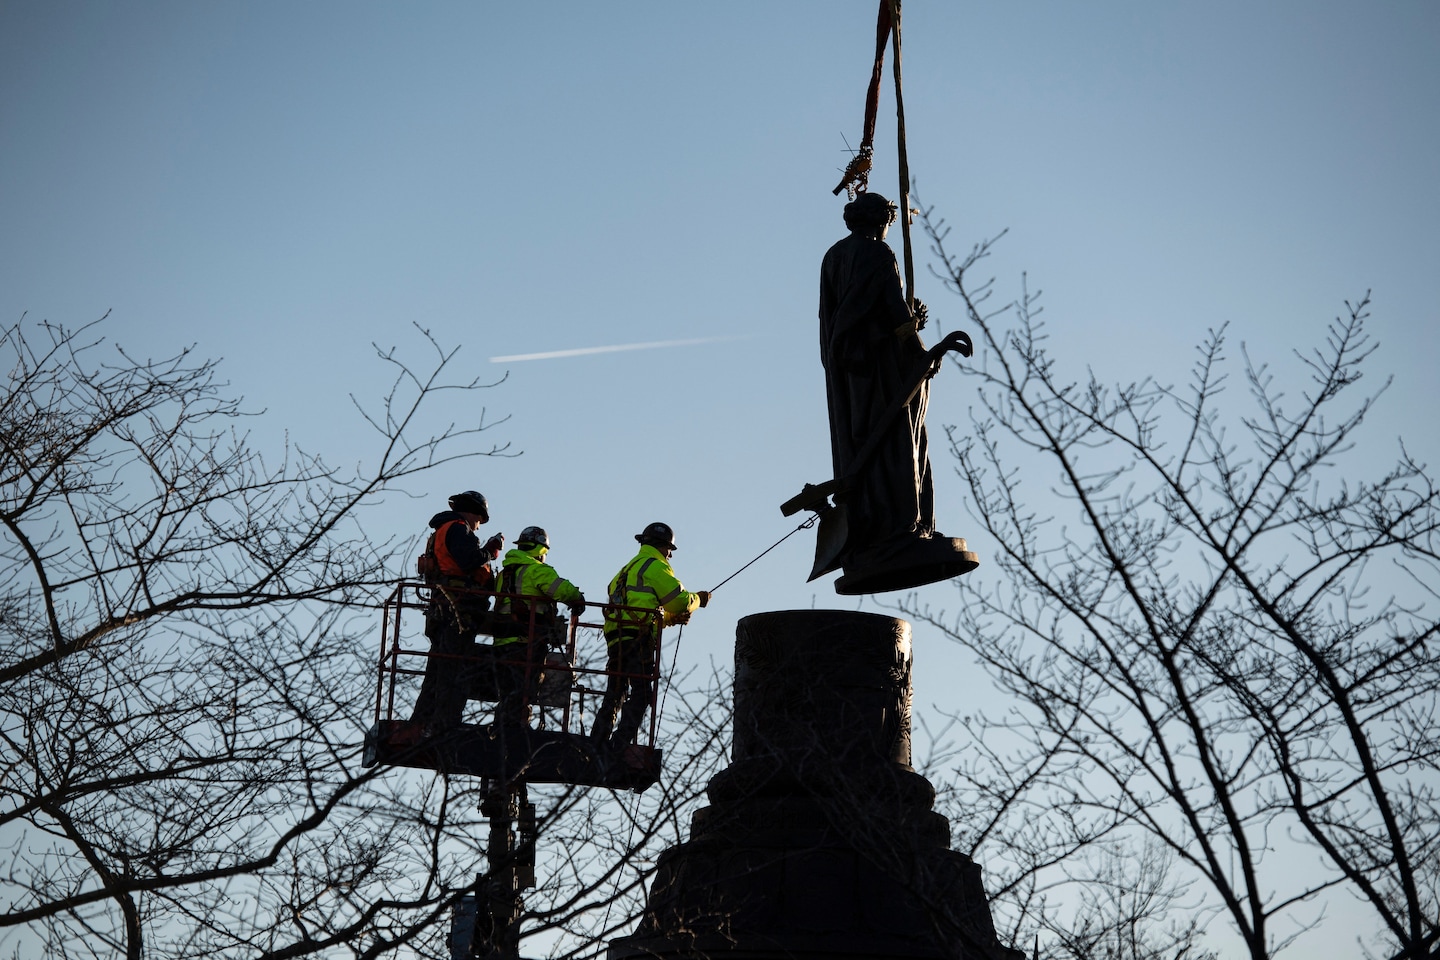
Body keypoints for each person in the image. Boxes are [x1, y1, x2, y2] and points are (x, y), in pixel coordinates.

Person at [818, 191, 969, 573]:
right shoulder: (879, 253)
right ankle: (903, 528)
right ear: (882, 220)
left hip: (850, 372)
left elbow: (843, 315)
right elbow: (891, 311)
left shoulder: (833, 256)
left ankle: (873, 526)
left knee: (865, 439)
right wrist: (919, 348)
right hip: (883, 367)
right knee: (900, 440)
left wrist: (907, 324)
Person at [593, 522, 709, 750]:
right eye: (669, 550)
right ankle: (619, 743)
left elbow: (636, 608)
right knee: (643, 692)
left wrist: (669, 619)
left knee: (615, 691)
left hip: (617, 638)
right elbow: (680, 600)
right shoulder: (655, 567)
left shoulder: (625, 571)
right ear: (662, 546)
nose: (670, 556)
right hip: (637, 639)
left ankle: (597, 741)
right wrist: (699, 600)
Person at [409, 490, 504, 732]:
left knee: (438, 669)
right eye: (480, 520)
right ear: (473, 512)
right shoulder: (459, 528)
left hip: (443, 607)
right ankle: (445, 725)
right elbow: (467, 561)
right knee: (455, 670)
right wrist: (491, 551)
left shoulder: (442, 531)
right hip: (458, 610)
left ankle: (421, 720)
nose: (479, 527)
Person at [492, 526, 586, 724]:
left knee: (507, 693)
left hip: (501, 643)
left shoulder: (504, 574)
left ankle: (501, 729)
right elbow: (562, 590)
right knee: (524, 692)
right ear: (541, 550)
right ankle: (515, 732)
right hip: (525, 643)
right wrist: (578, 599)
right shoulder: (536, 570)